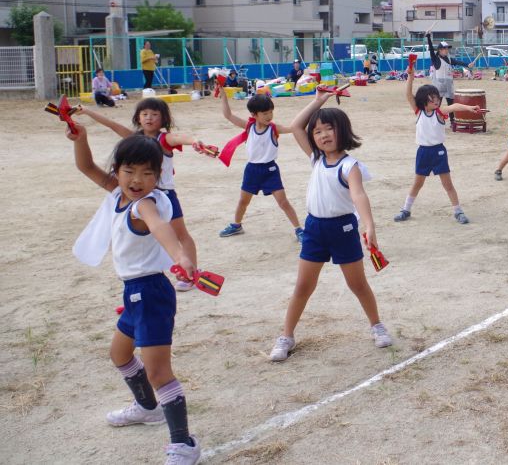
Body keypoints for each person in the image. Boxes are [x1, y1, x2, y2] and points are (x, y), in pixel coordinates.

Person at [66, 127, 201, 464]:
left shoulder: (147, 205)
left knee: (159, 373)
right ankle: (146, 407)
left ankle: (184, 444)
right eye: (129, 171)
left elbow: (160, 228)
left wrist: (181, 256)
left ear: (158, 176)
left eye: (147, 173)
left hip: (152, 293)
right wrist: (80, 137)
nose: (137, 179)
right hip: (133, 293)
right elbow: (86, 168)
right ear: (118, 171)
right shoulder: (118, 195)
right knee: (120, 355)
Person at [269, 90, 392, 361]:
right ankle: (286, 336)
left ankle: (377, 325)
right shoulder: (316, 159)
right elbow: (296, 126)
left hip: (344, 230)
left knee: (358, 285)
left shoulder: (350, 166)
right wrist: (319, 101)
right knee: (303, 286)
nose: (323, 135)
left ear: (343, 131)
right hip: (314, 230)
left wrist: (369, 225)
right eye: (318, 131)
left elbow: (359, 195)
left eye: (329, 129)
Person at [79, 99, 209, 291]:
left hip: (163, 195)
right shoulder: (135, 141)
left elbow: (179, 137)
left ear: (164, 119)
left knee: (180, 234)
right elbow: (112, 126)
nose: (149, 118)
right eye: (145, 114)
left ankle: (191, 272)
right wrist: (87, 113)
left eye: (155, 114)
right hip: (139, 197)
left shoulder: (164, 140)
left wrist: (194, 141)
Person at [393, 63, 483, 224]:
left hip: (439, 152)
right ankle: (405, 209)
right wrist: (411, 76)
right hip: (423, 152)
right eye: (433, 98)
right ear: (423, 101)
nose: (437, 100)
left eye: (437, 98)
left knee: (447, 184)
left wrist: (469, 108)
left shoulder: (440, 113)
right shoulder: (419, 111)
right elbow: (408, 94)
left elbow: (454, 105)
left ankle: (458, 211)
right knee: (417, 184)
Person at [217, 94, 304, 243]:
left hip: (270, 171)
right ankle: (237, 225)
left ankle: (299, 230)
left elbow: (294, 128)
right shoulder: (249, 127)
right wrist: (224, 95)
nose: (269, 116)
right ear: (254, 115)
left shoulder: (274, 129)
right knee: (243, 202)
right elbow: (228, 115)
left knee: (283, 202)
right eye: (265, 113)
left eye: (271, 112)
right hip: (251, 171)